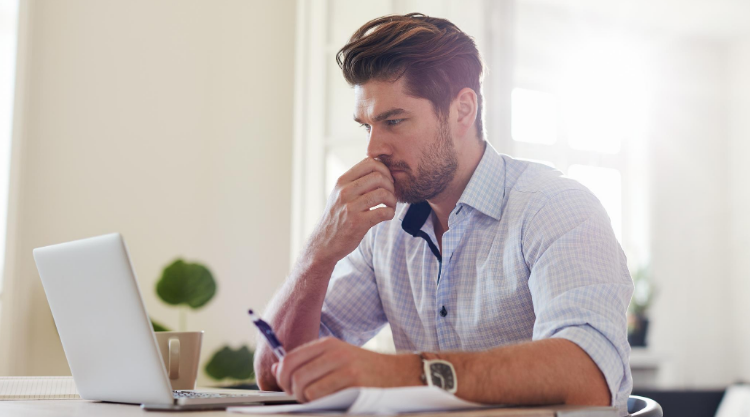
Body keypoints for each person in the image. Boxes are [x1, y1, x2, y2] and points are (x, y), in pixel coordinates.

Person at [254, 13, 633, 416]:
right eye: (367, 126)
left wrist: (397, 374)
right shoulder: (385, 231)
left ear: (462, 111)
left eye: (394, 120)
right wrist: (319, 253)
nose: (373, 150)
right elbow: (277, 372)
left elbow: (589, 376)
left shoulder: (555, 207)